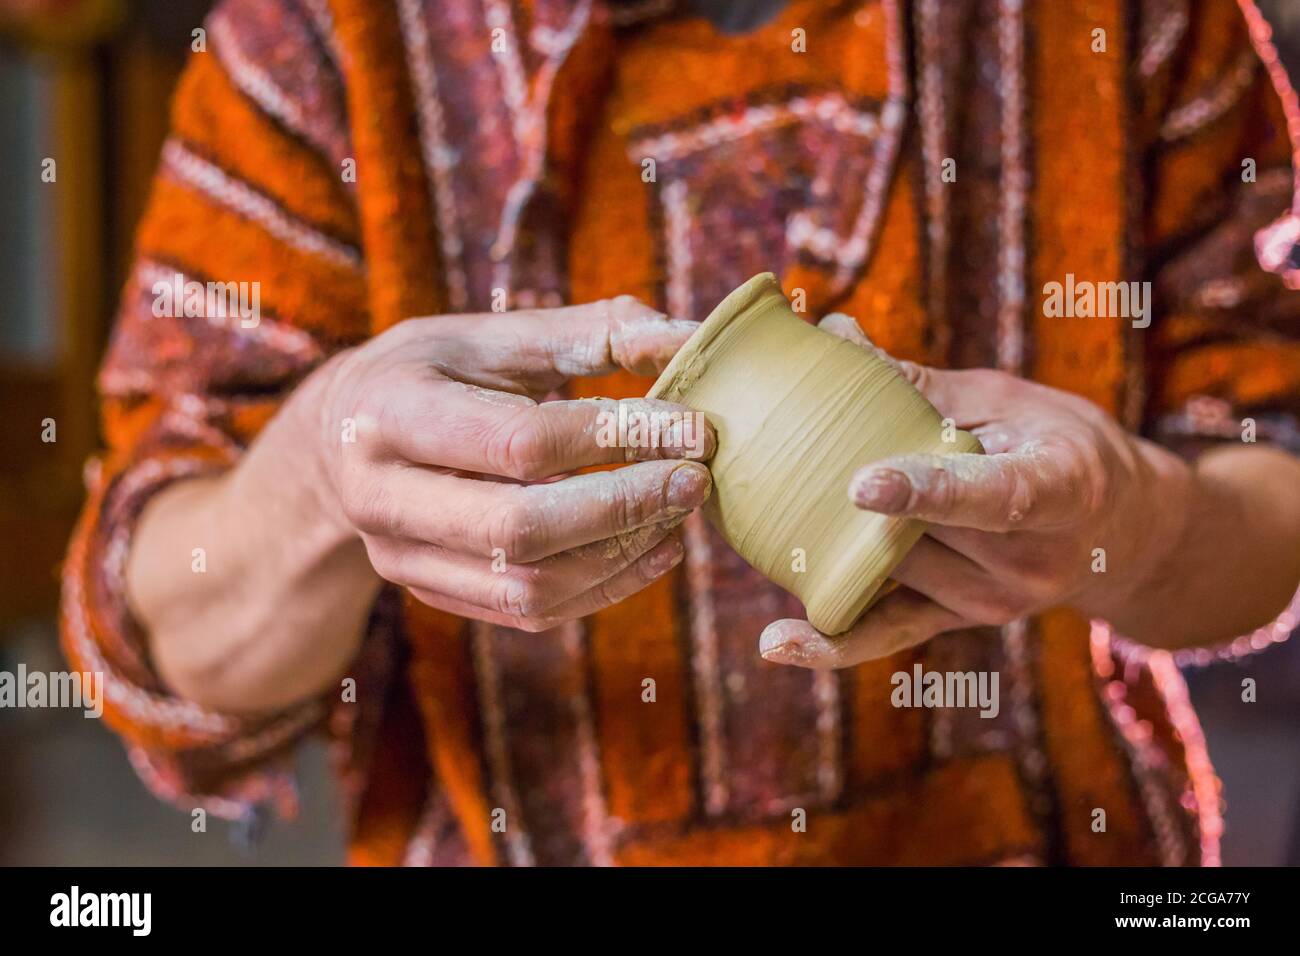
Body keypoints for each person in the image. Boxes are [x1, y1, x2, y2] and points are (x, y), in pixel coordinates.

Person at [62, 0, 1300, 865]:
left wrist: (1131, 522)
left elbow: (1275, 478)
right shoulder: (318, 42)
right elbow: (159, 628)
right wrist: (324, 474)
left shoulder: (1127, 19)